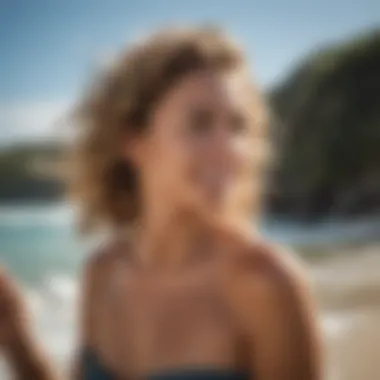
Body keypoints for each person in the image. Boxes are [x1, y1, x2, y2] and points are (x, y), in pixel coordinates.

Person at [0, 26, 322, 380]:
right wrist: (17, 340)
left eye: (237, 126)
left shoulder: (265, 285)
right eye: (200, 123)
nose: (230, 149)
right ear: (134, 142)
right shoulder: (103, 274)